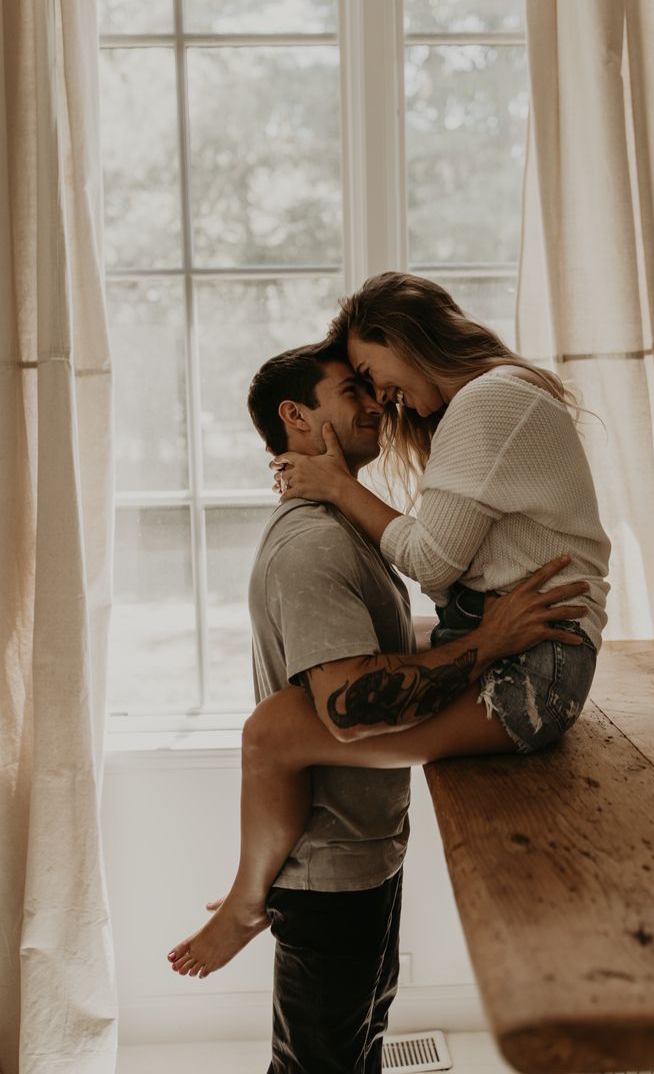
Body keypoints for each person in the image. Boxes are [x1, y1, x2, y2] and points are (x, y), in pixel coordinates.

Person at [167, 336, 594, 1073]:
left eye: (371, 388)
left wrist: (491, 631)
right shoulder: (313, 545)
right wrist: (488, 642)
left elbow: (389, 647)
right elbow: (354, 706)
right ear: (295, 417)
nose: (374, 405)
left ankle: (247, 900)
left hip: (364, 852)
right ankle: (244, 902)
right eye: (349, 392)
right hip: (325, 869)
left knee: (358, 1048)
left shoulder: (346, 528)